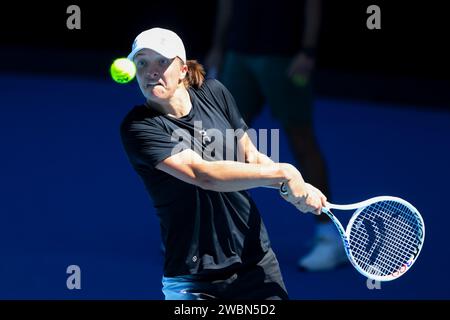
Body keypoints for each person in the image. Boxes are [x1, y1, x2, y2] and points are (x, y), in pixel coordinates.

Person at [120, 27, 327, 300]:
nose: (151, 71)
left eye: (162, 61)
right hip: (194, 280)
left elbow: (251, 157)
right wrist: (284, 172)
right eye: (142, 62)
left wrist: (290, 187)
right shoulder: (139, 127)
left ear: (182, 70)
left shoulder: (214, 92)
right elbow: (202, 174)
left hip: (256, 263)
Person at [205, 0, 347, 272]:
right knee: (221, 141)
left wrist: (308, 51)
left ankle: (329, 235)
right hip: (238, 53)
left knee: (301, 141)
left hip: (284, 57)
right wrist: (218, 47)